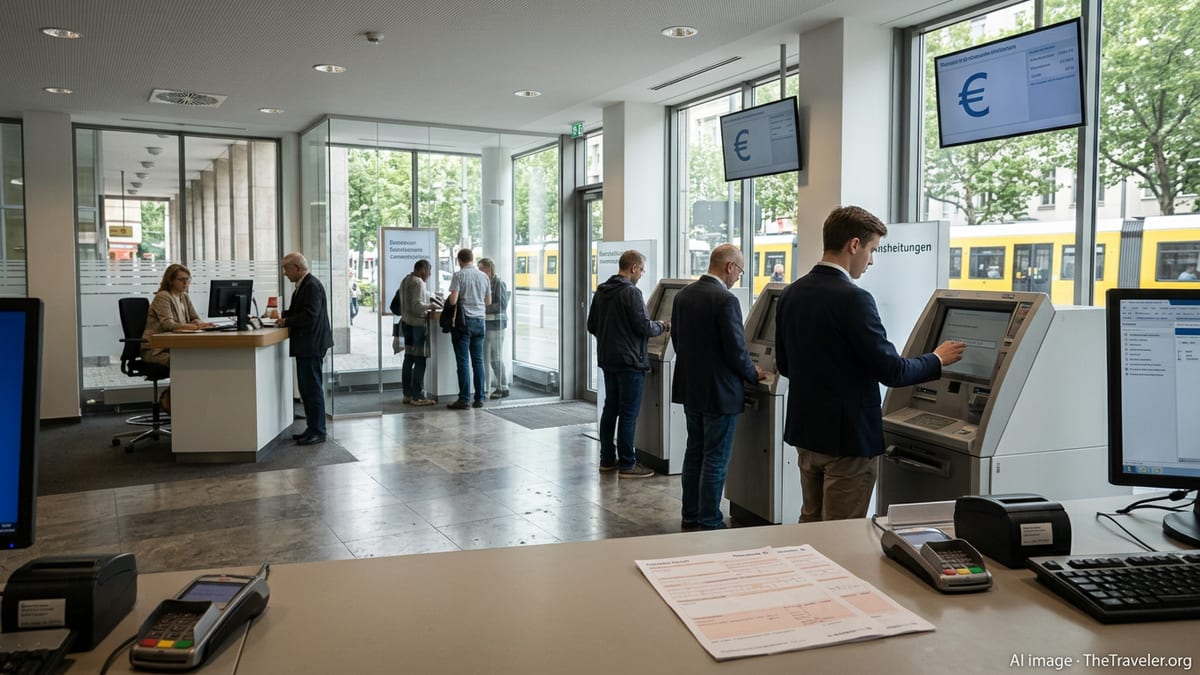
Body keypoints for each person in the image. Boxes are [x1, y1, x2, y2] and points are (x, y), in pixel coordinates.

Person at [775, 206, 966, 522]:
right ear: (853, 245)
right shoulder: (854, 299)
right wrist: (937, 359)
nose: (872, 259)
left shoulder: (792, 293)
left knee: (810, 522)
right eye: (872, 249)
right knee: (841, 530)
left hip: (807, 433)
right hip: (848, 440)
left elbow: (785, 364)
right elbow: (891, 370)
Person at [671, 244, 765, 528]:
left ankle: (690, 515)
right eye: (740, 270)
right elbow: (736, 350)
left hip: (691, 387)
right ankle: (710, 519)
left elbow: (677, 340)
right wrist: (753, 373)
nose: (738, 277)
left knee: (694, 452)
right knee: (715, 458)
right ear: (729, 267)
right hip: (720, 393)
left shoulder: (683, 295)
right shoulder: (726, 300)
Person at [586, 250, 666, 478]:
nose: (642, 274)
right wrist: (663, 326)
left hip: (608, 360)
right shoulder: (631, 292)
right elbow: (644, 327)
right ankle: (628, 465)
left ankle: (607, 459)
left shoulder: (602, 291)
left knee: (610, 409)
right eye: (641, 269)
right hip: (630, 362)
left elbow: (592, 325)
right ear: (633, 268)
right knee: (629, 414)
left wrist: (611, 338)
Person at [278, 252, 334, 445]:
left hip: (312, 344)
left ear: (296, 268)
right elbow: (301, 311)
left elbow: (310, 315)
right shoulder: (303, 285)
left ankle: (318, 430)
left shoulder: (311, 286)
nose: (285, 273)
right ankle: (312, 428)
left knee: (312, 388)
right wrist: (283, 316)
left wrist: (287, 320)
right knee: (306, 388)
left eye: (286, 269)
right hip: (308, 344)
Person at [141, 263, 215, 367]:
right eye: (181, 280)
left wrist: (198, 323)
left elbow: (195, 317)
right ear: (170, 281)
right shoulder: (163, 297)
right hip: (156, 350)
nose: (186, 283)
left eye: (188, 279)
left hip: (175, 347)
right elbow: (168, 325)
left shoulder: (184, 296)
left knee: (203, 356)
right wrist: (196, 326)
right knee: (188, 361)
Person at [446, 248, 491, 410]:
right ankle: (479, 398)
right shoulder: (484, 276)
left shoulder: (459, 275)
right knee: (478, 361)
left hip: (464, 323)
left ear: (459, 260)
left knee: (463, 362)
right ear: (472, 259)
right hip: (480, 322)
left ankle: (464, 399)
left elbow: (453, 300)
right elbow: (488, 301)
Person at [393, 259, 437, 406]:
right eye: (429, 271)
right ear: (423, 269)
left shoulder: (405, 280)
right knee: (420, 360)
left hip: (407, 324)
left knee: (409, 359)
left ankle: (407, 394)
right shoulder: (418, 282)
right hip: (417, 326)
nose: (429, 275)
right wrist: (430, 305)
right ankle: (417, 396)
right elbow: (417, 306)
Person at [478, 258, 511, 399]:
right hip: (487, 324)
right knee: (490, 357)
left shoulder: (499, 283)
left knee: (495, 357)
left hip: (497, 325)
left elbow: (501, 305)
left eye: (481, 269)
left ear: (489, 269)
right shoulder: (486, 282)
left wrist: (482, 307)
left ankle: (503, 386)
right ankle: (496, 385)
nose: (480, 272)